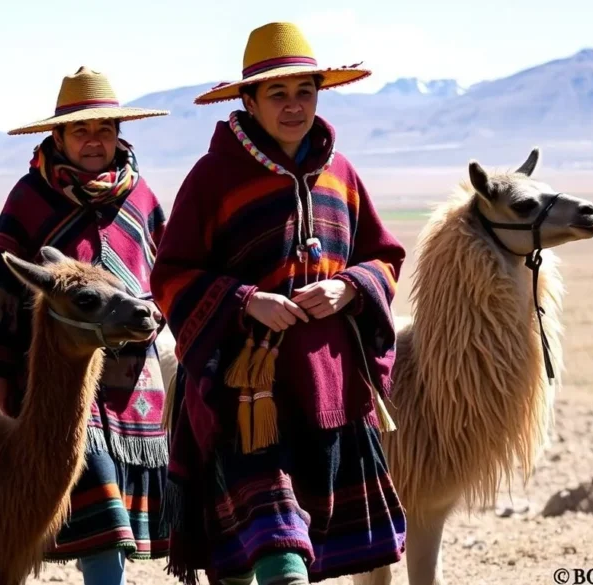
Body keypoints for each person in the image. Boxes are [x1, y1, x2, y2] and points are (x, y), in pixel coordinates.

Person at [150, 22, 408, 585]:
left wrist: (348, 287)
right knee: (278, 553)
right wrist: (246, 301)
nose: (294, 107)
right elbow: (168, 275)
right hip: (246, 395)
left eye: (305, 93)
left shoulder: (342, 174)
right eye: (278, 94)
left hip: (328, 387)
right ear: (248, 100)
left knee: (302, 544)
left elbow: (384, 258)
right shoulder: (213, 177)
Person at [0, 66, 172, 585]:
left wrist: (161, 312)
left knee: (119, 522)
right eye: (81, 130)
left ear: (119, 134)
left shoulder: (140, 197)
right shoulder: (30, 198)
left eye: (105, 129)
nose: (95, 141)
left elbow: (165, 271)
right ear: (58, 137)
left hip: (132, 388)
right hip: (58, 388)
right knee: (97, 523)